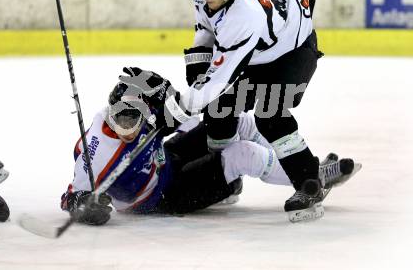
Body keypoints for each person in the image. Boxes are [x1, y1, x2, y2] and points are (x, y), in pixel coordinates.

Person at [119, 0, 327, 219]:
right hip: (262, 50)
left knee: (270, 113)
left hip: (293, 53)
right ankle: (225, 179)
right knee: (218, 110)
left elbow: (219, 79)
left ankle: (309, 184)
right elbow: (206, 28)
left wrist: (176, 110)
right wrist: (196, 74)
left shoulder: (245, 16)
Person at [60, 81, 360, 225]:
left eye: (133, 120)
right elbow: (70, 196)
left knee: (235, 123)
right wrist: (86, 207)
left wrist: (207, 125)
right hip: (162, 197)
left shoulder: (143, 108)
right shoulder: (95, 153)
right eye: (121, 120)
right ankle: (310, 182)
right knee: (243, 154)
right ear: (109, 113)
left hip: (166, 159)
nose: (128, 127)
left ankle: (304, 169)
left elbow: (183, 118)